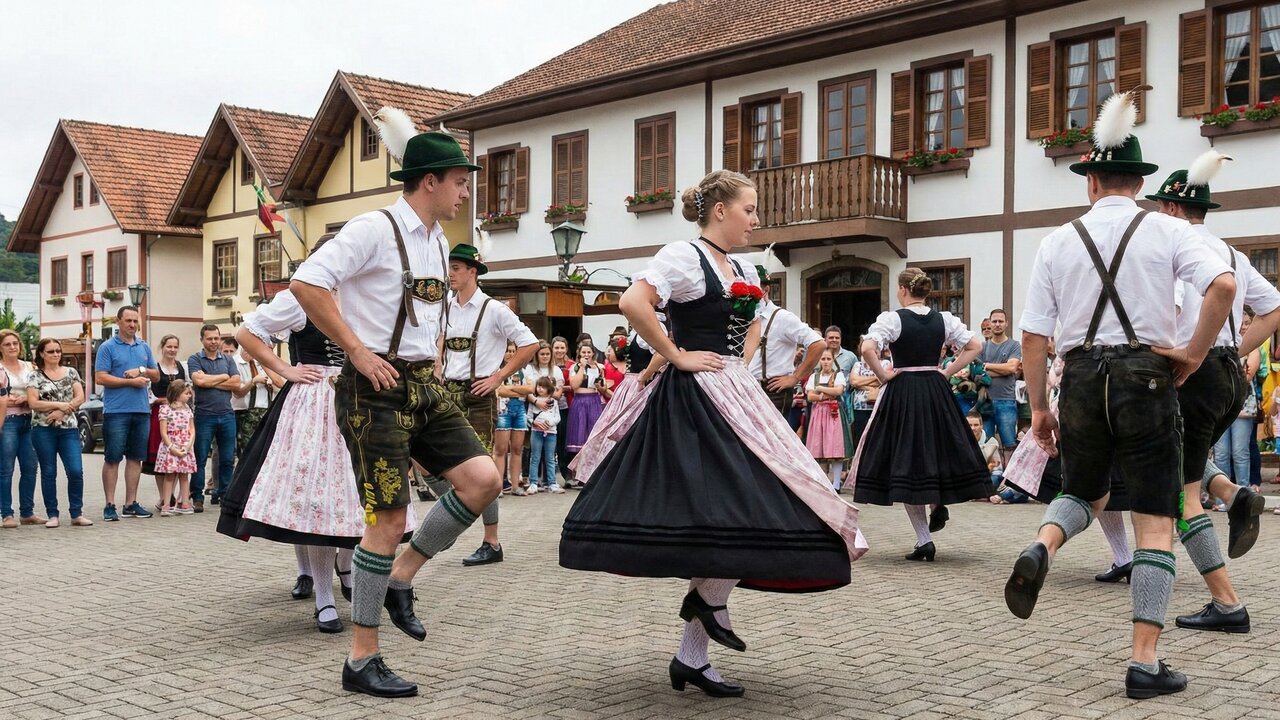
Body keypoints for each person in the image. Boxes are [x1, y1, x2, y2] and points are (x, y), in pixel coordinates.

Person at [561, 170, 866, 698]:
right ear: (720, 210)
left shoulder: (742, 265)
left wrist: (740, 360)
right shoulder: (684, 255)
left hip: (732, 391)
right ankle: (705, 620)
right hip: (693, 401)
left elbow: (756, 319)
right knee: (727, 510)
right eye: (749, 209)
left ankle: (693, 652)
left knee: (760, 505)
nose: (755, 219)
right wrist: (677, 354)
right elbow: (633, 303)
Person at [1005, 90, 1236, 699]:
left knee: (1085, 489)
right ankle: (1144, 661)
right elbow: (1223, 287)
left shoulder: (1058, 240)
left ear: (1091, 183)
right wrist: (1191, 352)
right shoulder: (1164, 229)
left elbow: (1033, 336)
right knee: (1155, 521)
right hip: (1145, 375)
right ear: (1137, 181)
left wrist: (1038, 408)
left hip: (1079, 375)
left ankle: (1041, 545)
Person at [290, 120, 500, 697]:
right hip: (372, 387)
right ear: (429, 181)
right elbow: (307, 283)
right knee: (386, 519)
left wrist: (428, 357)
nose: (465, 193)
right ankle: (362, 658)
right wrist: (355, 351)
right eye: (460, 182)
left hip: (419, 382)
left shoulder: (434, 238)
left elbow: (422, 311)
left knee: (483, 478)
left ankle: (403, 577)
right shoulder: (373, 229)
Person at [218, 287, 418, 633]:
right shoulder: (300, 298)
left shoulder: (363, 295)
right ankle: (323, 595)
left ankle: (347, 569)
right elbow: (246, 333)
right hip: (315, 403)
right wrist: (285, 368)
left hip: (359, 399)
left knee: (354, 499)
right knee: (318, 503)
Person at [1145, 150, 1280, 634]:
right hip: (1228, 377)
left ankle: (1227, 605)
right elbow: (1274, 309)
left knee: (1182, 497)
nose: (1158, 214)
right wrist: (1231, 347)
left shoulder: (1175, 251)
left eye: (1162, 206)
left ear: (1173, 209)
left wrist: (1192, 351)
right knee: (1188, 460)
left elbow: (1178, 311)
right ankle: (1232, 491)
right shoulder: (1232, 253)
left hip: (1194, 374)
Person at [852, 269, 988, 561]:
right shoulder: (944, 319)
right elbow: (976, 345)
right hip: (935, 390)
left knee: (908, 462)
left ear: (903, 289)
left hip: (904, 391)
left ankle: (924, 539)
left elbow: (867, 347)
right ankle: (936, 504)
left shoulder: (893, 318)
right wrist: (947, 371)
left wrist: (883, 375)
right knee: (936, 451)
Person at [439, 243, 538, 566]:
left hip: (478, 395)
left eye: (455, 268)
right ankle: (449, 520)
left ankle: (491, 542)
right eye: (449, 267)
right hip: (446, 392)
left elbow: (530, 343)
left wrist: (499, 377)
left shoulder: (494, 309)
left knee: (482, 471)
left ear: (472, 271)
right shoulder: (445, 307)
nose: (450, 274)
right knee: (431, 461)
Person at [95, 305, 159, 521]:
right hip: (116, 411)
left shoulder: (144, 347)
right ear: (118, 322)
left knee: (135, 458)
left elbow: (156, 375)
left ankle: (131, 503)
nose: (132, 324)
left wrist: (141, 371)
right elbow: (100, 377)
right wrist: (128, 382)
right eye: (128, 321)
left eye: (135, 321)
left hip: (141, 410)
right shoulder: (108, 347)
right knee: (112, 458)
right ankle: (109, 504)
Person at [27, 338, 92, 528]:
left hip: (68, 429)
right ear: (41, 354)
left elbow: (80, 396)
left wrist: (63, 411)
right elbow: (33, 403)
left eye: (58, 351)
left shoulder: (71, 372)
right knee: (48, 472)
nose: (56, 354)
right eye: (51, 351)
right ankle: (53, 514)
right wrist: (59, 404)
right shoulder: (35, 376)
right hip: (43, 430)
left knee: (75, 471)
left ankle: (76, 513)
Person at [747, 270, 823, 415]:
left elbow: (818, 344)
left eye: (752, 287)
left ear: (765, 289)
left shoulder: (782, 318)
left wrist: (795, 377)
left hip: (773, 390)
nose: (748, 292)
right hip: (748, 387)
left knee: (772, 437)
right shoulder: (746, 317)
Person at [187, 325, 241, 510]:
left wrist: (211, 380)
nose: (214, 342)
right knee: (200, 458)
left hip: (226, 414)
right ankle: (197, 496)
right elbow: (199, 381)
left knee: (227, 458)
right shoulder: (195, 359)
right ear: (202, 339)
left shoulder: (227, 359)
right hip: (204, 415)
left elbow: (236, 382)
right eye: (209, 339)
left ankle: (225, 495)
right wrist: (223, 377)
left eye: (216, 338)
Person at [1, 330, 39, 528]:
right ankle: (7, 514)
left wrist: (27, 398)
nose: (12, 347)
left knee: (30, 467)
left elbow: (37, 389)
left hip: (28, 420)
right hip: (8, 421)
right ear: (1, 347)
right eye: (7, 344)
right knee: (6, 469)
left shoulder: (29, 366)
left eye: (15, 343)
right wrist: (10, 400)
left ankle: (27, 512)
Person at [142, 335, 187, 493]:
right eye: (169, 346)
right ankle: (163, 495)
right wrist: (160, 400)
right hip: (159, 415)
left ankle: (171, 494)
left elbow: (188, 391)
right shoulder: (155, 368)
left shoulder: (182, 368)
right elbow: (147, 393)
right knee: (160, 455)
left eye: (175, 347)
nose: (172, 350)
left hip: (179, 416)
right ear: (162, 347)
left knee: (177, 452)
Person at [978, 309, 1022, 467]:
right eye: (994, 321)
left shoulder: (1014, 345)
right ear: (989, 323)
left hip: (1006, 400)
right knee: (987, 444)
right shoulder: (982, 347)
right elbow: (977, 375)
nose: (997, 324)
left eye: (1000, 321)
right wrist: (1001, 370)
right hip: (985, 402)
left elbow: (1012, 368)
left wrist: (987, 366)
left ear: (1006, 323)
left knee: (1009, 444)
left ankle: (1009, 481)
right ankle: (990, 480)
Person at [225, 336, 277, 461]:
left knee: (262, 450)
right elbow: (237, 392)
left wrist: (271, 383)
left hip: (264, 411)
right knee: (244, 452)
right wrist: (253, 381)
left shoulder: (262, 362)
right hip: (242, 412)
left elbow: (279, 384)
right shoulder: (234, 363)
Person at [804, 348, 847, 490]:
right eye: (823, 359)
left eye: (828, 359)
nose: (826, 362)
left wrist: (819, 389)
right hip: (818, 413)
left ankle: (836, 484)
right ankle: (822, 482)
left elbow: (838, 391)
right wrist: (825, 394)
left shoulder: (838, 375)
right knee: (819, 445)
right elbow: (810, 397)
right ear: (819, 361)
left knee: (834, 446)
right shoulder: (814, 376)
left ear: (833, 360)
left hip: (833, 413)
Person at [493, 341, 533, 495]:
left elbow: (530, 388)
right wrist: (518, 391)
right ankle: (498, 488)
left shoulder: (525, 369)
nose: (510, 354)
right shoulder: (497, 368)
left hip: (520, 410)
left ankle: (515, 485)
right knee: (501, 449)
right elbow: (499, 390)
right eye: (507, 351)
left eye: (512, 351)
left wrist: (509, 389)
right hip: (503, 410)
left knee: (517, 449)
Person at [154, 380, 196, 517]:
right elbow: (163, 432)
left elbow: (192, 430)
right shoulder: (165, 410)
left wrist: (188, 446)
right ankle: (166, 504)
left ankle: (184, 503)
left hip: (185, 446)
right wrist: (171, 447)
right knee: (169, 476)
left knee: (184, 476)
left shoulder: (188, 410)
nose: (189, 396)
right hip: (170, 446)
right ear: (177, 394)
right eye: (186, 393)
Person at [847, 345, 890, 450]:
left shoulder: (885, 364)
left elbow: (885, 380)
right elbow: (853, 382)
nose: (874, 354)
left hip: (879, 407)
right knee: (860, 438)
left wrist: (862, 383)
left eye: (876, 351)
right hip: (860, 408)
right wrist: (876, 377)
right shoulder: (858, 365)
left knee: (878, 439)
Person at [526, 376, 561, 494]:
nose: (540, 389)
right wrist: (534, 423)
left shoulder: (554, 402)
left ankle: (552, 483)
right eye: (539, 386)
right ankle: (533, 483)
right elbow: (529, 417)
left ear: (549, 389)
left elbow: (557, 417)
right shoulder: (534, 401)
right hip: (536, 432)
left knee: (550, 458)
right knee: (535, 457)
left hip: (551, 433)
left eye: (544, 387)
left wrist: (549, 423)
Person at [550, 337, 574, 484]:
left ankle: (566, 474)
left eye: (562, 348)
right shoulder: (547, 364)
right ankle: (547, 476)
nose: (559, 351)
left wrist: (562, 388)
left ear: (566, 349)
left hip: (566, 407)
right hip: (548, 408)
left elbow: (576, 385)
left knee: (564, 442)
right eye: (556, 348)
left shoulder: (572, 365)